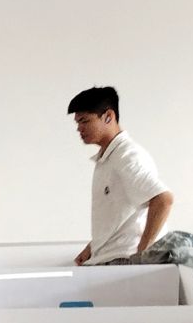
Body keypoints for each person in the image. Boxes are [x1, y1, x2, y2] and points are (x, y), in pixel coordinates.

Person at [68, 86, 175, 265]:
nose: (79, 128)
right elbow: (122, 217)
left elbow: (163, 199)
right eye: (77, 123)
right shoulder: (110, 158)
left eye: (84, 121)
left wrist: (143, 251)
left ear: (108, 116)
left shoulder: (127, 156)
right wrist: (92, 247)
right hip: (111, 259)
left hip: (122, 261)